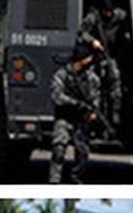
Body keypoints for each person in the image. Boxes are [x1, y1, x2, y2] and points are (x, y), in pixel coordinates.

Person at [49, 43, 117, 184]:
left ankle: (75, 178)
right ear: (80, 59)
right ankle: (54, 181)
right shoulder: (62, 75)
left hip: (81, 119)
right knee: (59, 149)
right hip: (65, 117)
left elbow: (95, 98)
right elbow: (57, 96)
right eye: (87, 58)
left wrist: (93, 112)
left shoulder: (91, 78)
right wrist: (77, 104)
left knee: (82, 153)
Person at [77, 0, 128, 92]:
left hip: (113, 52)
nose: (108, 14)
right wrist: (92, 41)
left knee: (115, 78)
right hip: (97, 52)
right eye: (106, 11)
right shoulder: (93, 17)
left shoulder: (120, 15)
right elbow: (81, 33)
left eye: (110, 11)